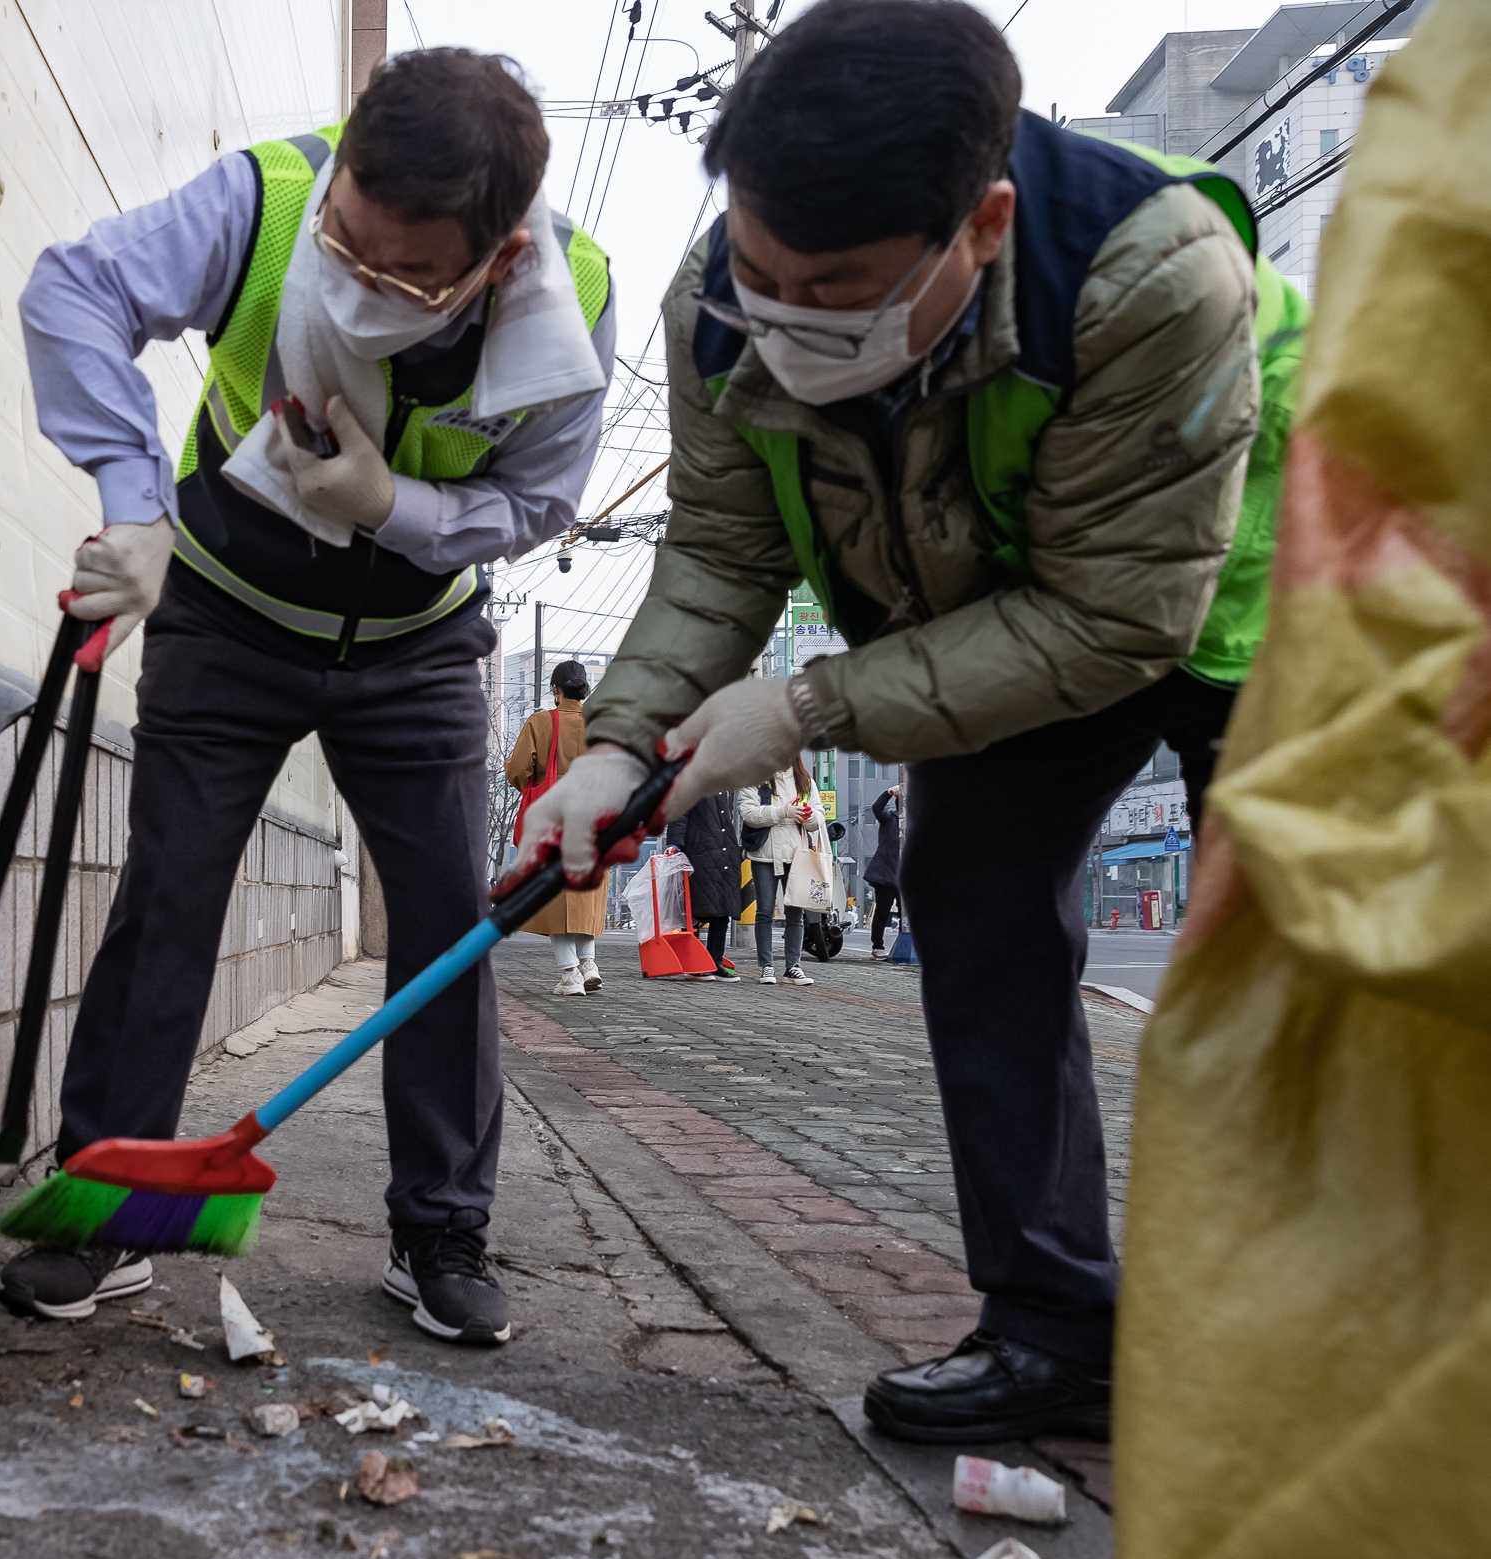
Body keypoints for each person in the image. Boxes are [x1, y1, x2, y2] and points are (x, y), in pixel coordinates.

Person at [516, 0, 1301, 1439]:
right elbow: (719, 551)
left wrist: (813, 702)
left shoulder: (1151, 281)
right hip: (985, 612)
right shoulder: (723, 303)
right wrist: (625, 744)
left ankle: (1331, 1348)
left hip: (1235, 586)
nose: (789, 322)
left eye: (837, 289)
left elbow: (1120, 616)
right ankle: (1056, 1322)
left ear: (984, 225)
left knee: (1295, 952)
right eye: (763, 276)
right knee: (973, 891)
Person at [6, 48, 617, 1345]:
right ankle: (106, 1212)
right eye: (347, 238)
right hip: (226, 611)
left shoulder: (575, 307)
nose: (352, 276)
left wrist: (398, 508)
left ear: (496, 260)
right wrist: (133, 503)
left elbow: (543, 501)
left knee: (451, 923)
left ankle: (439, 1228)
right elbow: (75, 288)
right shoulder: (271, 197)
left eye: (401, 275)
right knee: (168, 896)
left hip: (418, 648)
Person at [504, 661, 607, 993]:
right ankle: (589, 963)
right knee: (584, 893)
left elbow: (520, 771)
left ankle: (570, 974)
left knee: (555, 894)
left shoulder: (541, 722)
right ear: (585, 690)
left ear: (555, 690)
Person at [736, 757, 824, 987]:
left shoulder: (805, 781)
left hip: (797, 855)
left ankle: (793, 966)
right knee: (764, 911)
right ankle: (766, 965)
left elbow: (819, 816)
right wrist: (784, 811)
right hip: (764, 854)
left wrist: (809, 816)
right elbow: (748, 813)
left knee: (795, 913)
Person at [663, 789, 741, 981]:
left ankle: (715, 962)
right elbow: (679, 813)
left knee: (723, 910)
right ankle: (694, 962)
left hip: (724, 853)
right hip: (700, 853)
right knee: (694, 911)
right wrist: (674, 843)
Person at [864, 782, 902, 958]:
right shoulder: (889, 819)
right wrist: (890, 792)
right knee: (882, 911)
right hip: (885, 874)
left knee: (908, 914)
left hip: (905, 876)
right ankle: (877, 946)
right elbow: (876, 807)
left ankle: (910, 943)